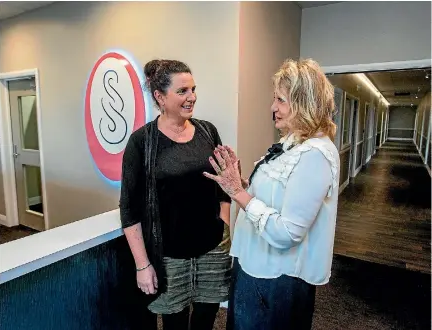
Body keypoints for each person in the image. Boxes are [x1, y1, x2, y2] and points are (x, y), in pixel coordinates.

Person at [204, 58, 340, 330]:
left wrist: (238, 193)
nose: (273, 108)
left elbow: (288, 232)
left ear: (304, 103)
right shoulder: (291, 144)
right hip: (255, 267)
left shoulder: (315, 154)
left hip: (276, 281)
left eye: (280, 99)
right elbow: (274, 198)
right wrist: (240, 184)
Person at [119, 59, 232, 330]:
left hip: (212, 249)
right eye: (182, 91)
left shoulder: (207, 131)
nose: (191, 97)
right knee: (175, 323)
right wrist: (142, 265)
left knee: (206, 318)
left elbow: (222, 184)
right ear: (160, 96)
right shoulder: (141, 142)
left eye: (193, 89)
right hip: (169, 255)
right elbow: (129, 208)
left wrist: (224, 222)